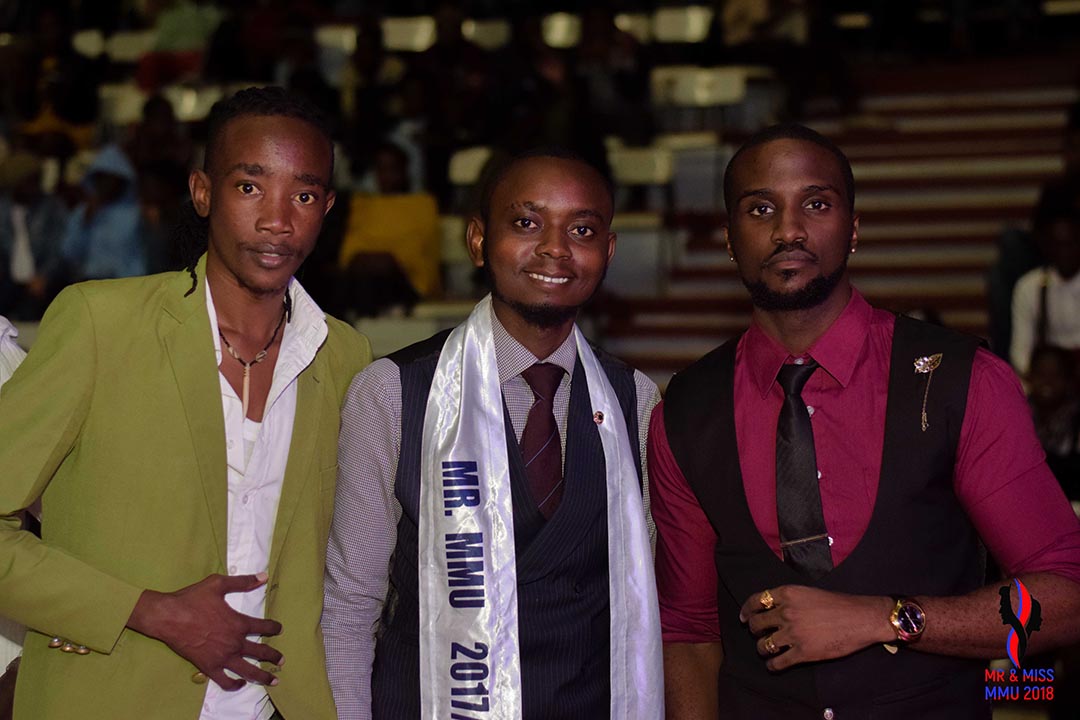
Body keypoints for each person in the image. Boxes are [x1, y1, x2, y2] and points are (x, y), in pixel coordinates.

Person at [650, 123, 1080, 718]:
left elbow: (1066, 600)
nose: (788, 230)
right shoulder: (685, 410)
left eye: (816, 204)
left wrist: (891, 618)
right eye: (760, 208)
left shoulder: (962, 380)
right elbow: (689, 631)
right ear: (729, 238)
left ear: (853, 229)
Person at [0, 86, 371, 720]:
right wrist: (150, 611)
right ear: (203, 192)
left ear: (327, 207)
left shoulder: (344, 359)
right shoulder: (100, 324)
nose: (278, 220)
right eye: (250, 188)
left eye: (303, 195)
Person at [323, 149, 663, 719]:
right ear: (478, 239)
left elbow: (646, 599)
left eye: (581, 229)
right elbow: (352, 606)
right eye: (527, 223)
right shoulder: (391, 393)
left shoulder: (637, 401)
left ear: (606, 252)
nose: (555, 247)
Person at [1010, 178, 1080, 376]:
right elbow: (1020, 356)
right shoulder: (1029, 287)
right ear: (1046, 246)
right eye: (1058, 244)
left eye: (1071, 244)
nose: (1065, 252)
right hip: (1048, 384)